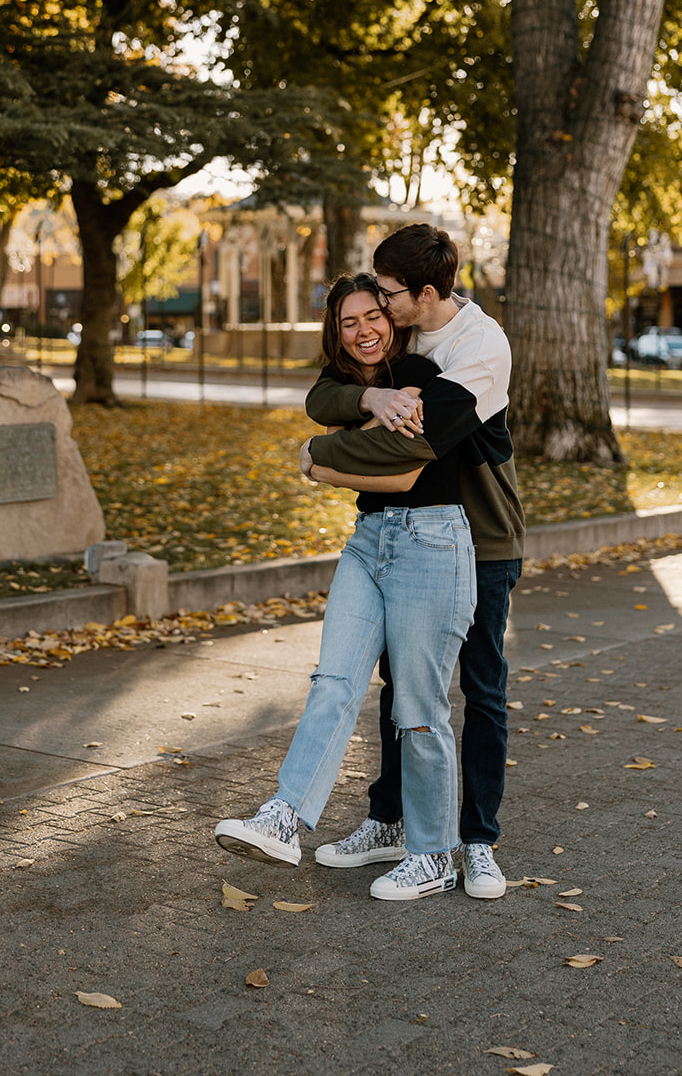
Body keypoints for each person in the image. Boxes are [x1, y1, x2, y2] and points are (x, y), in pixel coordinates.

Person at [214, 273, 478, 902]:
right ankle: (284, 816)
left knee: (418, 711)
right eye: (349, 321)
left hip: (431, 545)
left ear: (394, 318)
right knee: (333, 682)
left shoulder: (421, 375)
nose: (364, 330)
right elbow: (321, 399)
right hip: (368, 544)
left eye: (374, 316)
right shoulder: (345, 386)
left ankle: (434, 854)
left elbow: (405, 475)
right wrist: (358, 418)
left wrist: (318, 458)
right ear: (335, 331)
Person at [303, 223, 524, 901]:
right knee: (400, 689)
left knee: (479, 689)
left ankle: (477, 840)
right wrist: (367, 398)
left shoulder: (477, 346)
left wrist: (316, 458)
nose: (377, 305)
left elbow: (413, 447)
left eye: (389, 293)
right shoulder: (397, 333)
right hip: (409, 536)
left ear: (424, 294)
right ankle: (389, 820)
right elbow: (328, 389)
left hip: (480, 539)